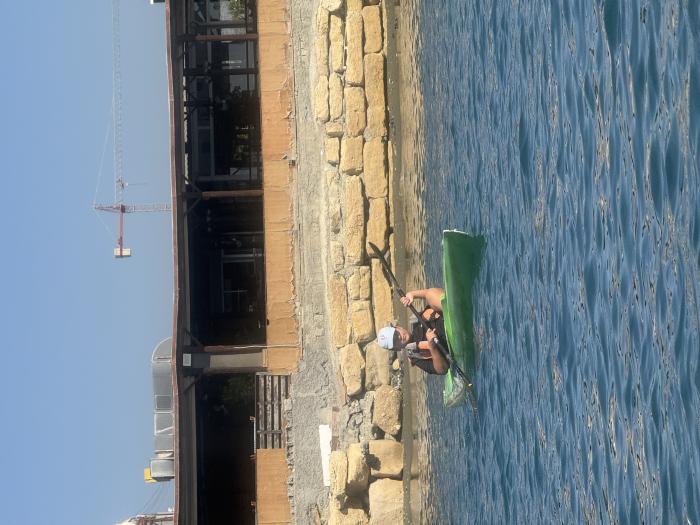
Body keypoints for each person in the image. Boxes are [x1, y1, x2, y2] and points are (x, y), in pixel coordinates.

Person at [377, 288, 450, 375]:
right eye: (395, 341)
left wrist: (412, 294)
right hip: (451, 344)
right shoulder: (415, 357)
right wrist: (432, 347)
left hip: (449, 316)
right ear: (396, 348)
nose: (399, 337)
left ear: (398, 327)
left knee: (430, 294)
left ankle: (453, 305)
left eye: (396, 334)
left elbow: (430, 294)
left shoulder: (417, 319)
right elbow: (442, 370)